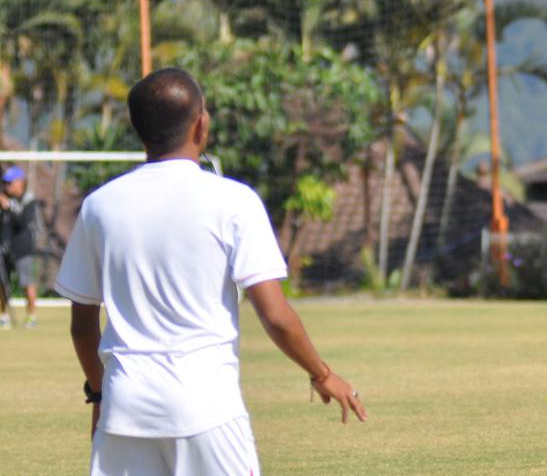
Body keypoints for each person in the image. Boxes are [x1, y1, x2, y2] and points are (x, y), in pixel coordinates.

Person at [56, 67, 367, 475]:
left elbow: (82, 326)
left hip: (125, 405)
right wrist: (322, 374)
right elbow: (274, 314)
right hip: (205, 407)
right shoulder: (234, 201)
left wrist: (99, 396)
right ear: (201, 125)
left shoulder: (100, 206)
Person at [1, 166, 43, 328]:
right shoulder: (4, 198)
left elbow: (24, 222)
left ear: (20, 183)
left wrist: (9, 206)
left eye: (10, 183)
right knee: (3, 284)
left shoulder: (29, 200)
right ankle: (3, 316)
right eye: (5, 183)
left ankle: (31, 316)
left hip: (23, 249)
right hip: (5, 248)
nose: (7, 186)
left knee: (27, 282)